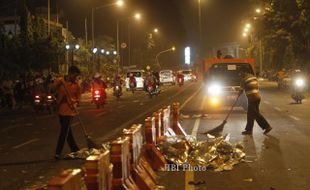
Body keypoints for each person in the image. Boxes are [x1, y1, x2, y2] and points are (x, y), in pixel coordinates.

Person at [54, 66, 81, 159]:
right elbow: (52, 89)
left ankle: (58, 152)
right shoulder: (61, 81)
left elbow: (78, 97)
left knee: (64, 131)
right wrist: (57, 84)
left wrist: (76, 102)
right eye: (75, 75)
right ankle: (75, 149)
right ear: (70, 73)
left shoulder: (76, 85)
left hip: (70, 111)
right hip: (61, 109)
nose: (76, 78)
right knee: (67, 131)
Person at [239, 67, 272, 135]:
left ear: (244, 72)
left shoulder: (244, 80)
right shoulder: (253, 77)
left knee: (256, 114)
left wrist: (237, 93)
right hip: (257, 97)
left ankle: (267, 126)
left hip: (252, 98)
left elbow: (241, 90)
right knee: (250, 114)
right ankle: (249, 130)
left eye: (240, 73)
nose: (240, 74)